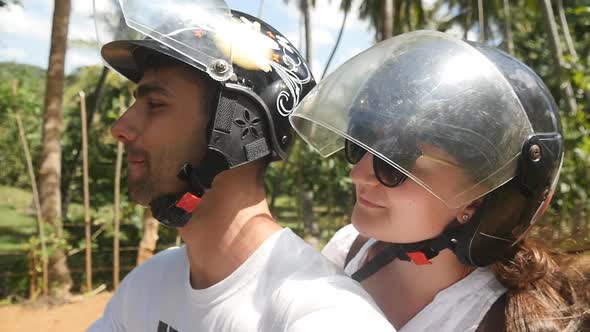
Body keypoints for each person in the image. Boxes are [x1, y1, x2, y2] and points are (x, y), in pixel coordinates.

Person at [88, 1, 396, 331]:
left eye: (155, 104)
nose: (120, 127)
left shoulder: (323, 312)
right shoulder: (148, 285)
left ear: (235, 129)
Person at [290, 30, 589, 332]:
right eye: (361, 145)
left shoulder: (495, 322)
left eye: (396, 160)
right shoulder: (347, 251)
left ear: (478, 198)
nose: (357, 174)